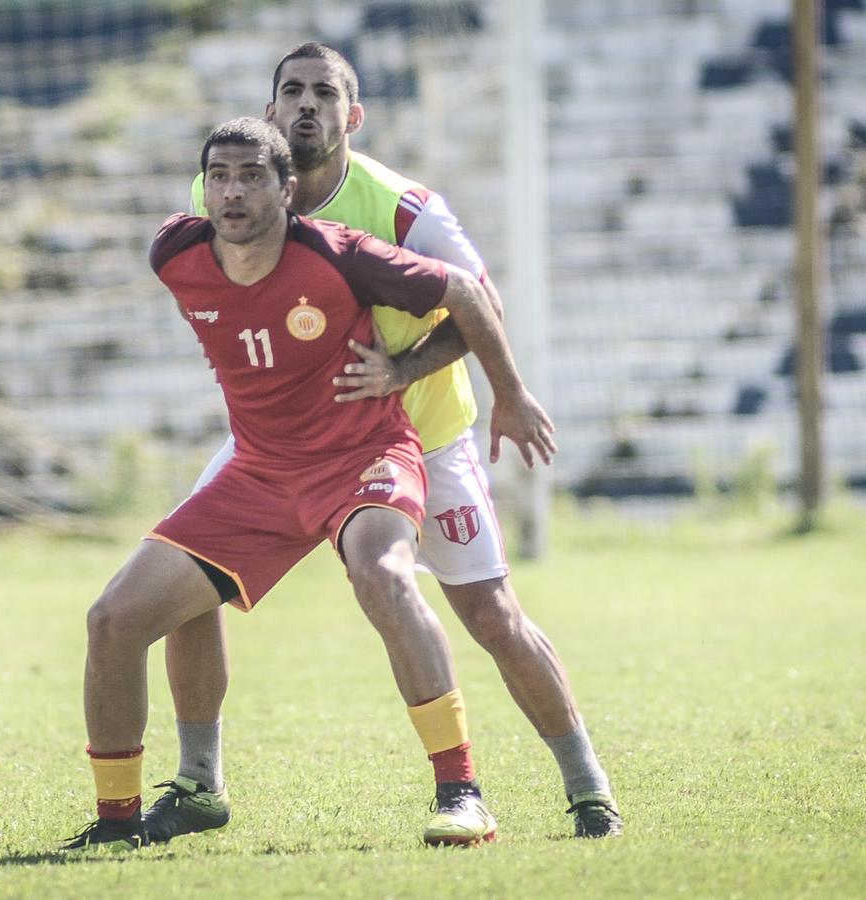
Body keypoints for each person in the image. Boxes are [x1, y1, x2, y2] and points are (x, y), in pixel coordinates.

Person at [143, 43, 623, 843]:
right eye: (289, 91)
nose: (305, 106)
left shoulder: (405, 209)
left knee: (491, 614)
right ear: (267, 114)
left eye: (323, 94)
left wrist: (406, 370)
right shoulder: (228, 186)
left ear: (351, 116)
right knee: (188, 572)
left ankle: (587, 788)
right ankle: (199, 783)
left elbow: (481, 302)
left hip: (417, 439)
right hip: (275, 447)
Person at [62, 117, 557, 851]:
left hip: (364, 457)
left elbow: (466, 291)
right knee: (113, 620)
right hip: (259, 473)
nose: (233, 192)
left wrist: (508, 394)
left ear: (287, 189)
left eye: (252, 176)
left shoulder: (341, 254)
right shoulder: (175, 251)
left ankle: (462, 794)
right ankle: (116, 825)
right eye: (220, 177)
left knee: (384, 575)